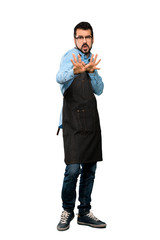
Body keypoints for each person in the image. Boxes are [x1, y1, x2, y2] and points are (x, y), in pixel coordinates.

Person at [56, 22, 106, 231]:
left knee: (90, 169)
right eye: (80, 37)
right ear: (74, 39)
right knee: (73, 169)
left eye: (87, 37)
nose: (84, 42)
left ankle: (84, 211)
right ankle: (67, 210)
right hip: (72, 123)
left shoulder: (93, 61)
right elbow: (59, 78)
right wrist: (75, 71)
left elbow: (100, 90)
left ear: (92, 39)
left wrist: (92, 72)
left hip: (91, 123)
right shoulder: (70, 57)